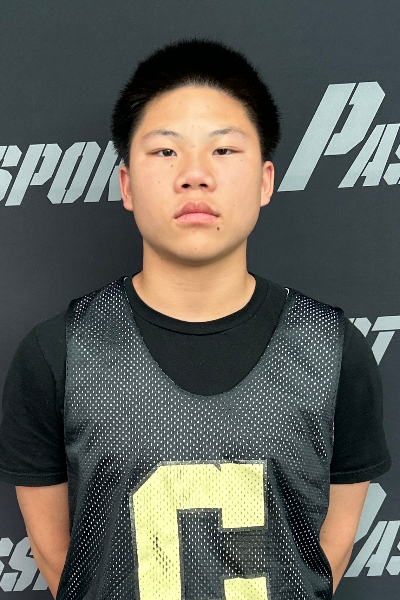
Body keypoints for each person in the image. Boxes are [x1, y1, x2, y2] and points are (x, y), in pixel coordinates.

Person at [0, 38, 391, 600]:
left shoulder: (333, 351)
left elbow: (325, 554)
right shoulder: (56, 354)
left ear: (265, 180)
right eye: (165, 151)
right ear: (127, 185)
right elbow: (63, 561)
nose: (195, 175)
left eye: (224, 150)